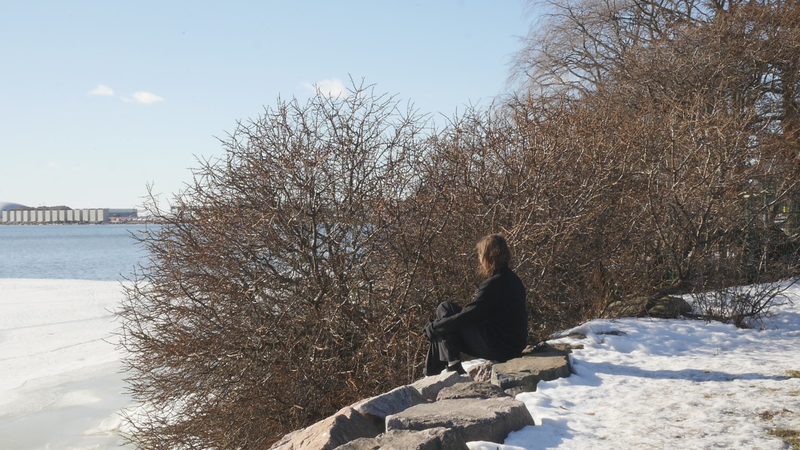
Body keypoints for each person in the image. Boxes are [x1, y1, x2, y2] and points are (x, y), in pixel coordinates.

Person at [423, 234, 528, 376]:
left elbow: (468, 316)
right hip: (512, 345)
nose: (479, 260)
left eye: (480, 255)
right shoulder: (513, 279)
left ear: (488, 257)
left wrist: (434, 327)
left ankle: (444, 369)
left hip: (501, 348)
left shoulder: (494, 284)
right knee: (444, 319)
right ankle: (443, 368)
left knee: (445, 312)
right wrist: (437, 327)